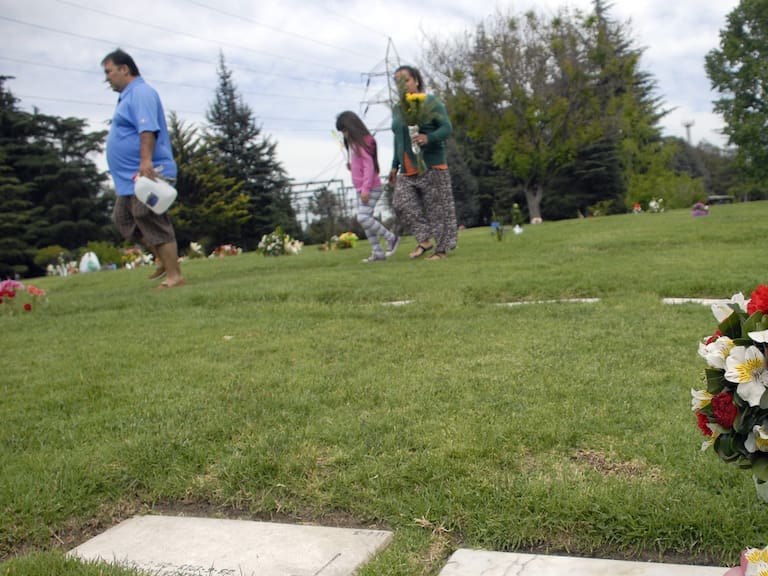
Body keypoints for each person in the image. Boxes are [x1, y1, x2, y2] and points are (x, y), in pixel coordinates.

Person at [102, 48, 185, 288]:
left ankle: (175, 276)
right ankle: (163, 257)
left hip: (148, 171)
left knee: (150, 218)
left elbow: (147, 129)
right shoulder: (127, 96)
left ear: (124, 69)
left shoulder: (141, 93)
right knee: (123, 218)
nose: (106, 78)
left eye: (109, 71)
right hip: (128, 178)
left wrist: (146, 161)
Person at [389, 65, 457, 261]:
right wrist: (394, 165)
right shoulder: (397, 108)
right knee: (401, 203)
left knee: (437, 209)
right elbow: (398, 138)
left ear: (416, 81)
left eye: (407, 80)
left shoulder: (431, 102)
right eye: (398, 82)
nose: (403, 85)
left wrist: (429, 138)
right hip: (407, 167)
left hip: (431, 164)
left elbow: (446, 128)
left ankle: (441, 251)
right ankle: (424, 239)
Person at [336, 111, 399, 262]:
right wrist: (353, 167)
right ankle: (377, 252)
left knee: (363, 218)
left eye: (344, 130)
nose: (344, 135)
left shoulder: (361, 142)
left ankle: (391, 238)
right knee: (366, 220)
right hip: (362, 187)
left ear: (351, 127)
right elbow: (363, 165)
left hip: (370, 187)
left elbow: (369, 166)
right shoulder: (356, 143)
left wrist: (365, 189)